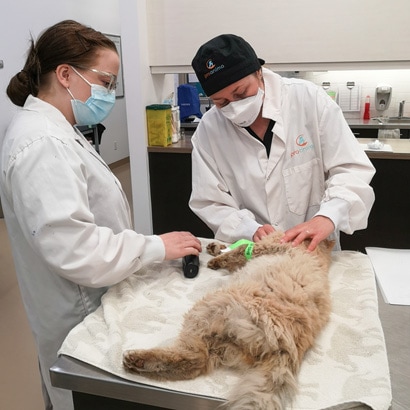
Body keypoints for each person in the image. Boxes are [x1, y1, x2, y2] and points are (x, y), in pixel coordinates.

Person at [0, 20, 201, 410]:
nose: (109, 93)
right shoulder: (42, 143)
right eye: (107, 82)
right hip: (78, 312)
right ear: (65, 75)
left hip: (86, 297)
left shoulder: (54, 129)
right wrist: (155, 247)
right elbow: (76, 249)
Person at [190, 34, 375, 251]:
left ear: (259, 72)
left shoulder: (308, 100)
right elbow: (209, 201)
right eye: (222, 102)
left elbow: (351, 169)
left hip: (313, 250)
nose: (234, 107)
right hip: (254, 251)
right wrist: (248, 228)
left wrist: (328, 216)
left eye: (241, 93)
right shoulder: (210, 129)